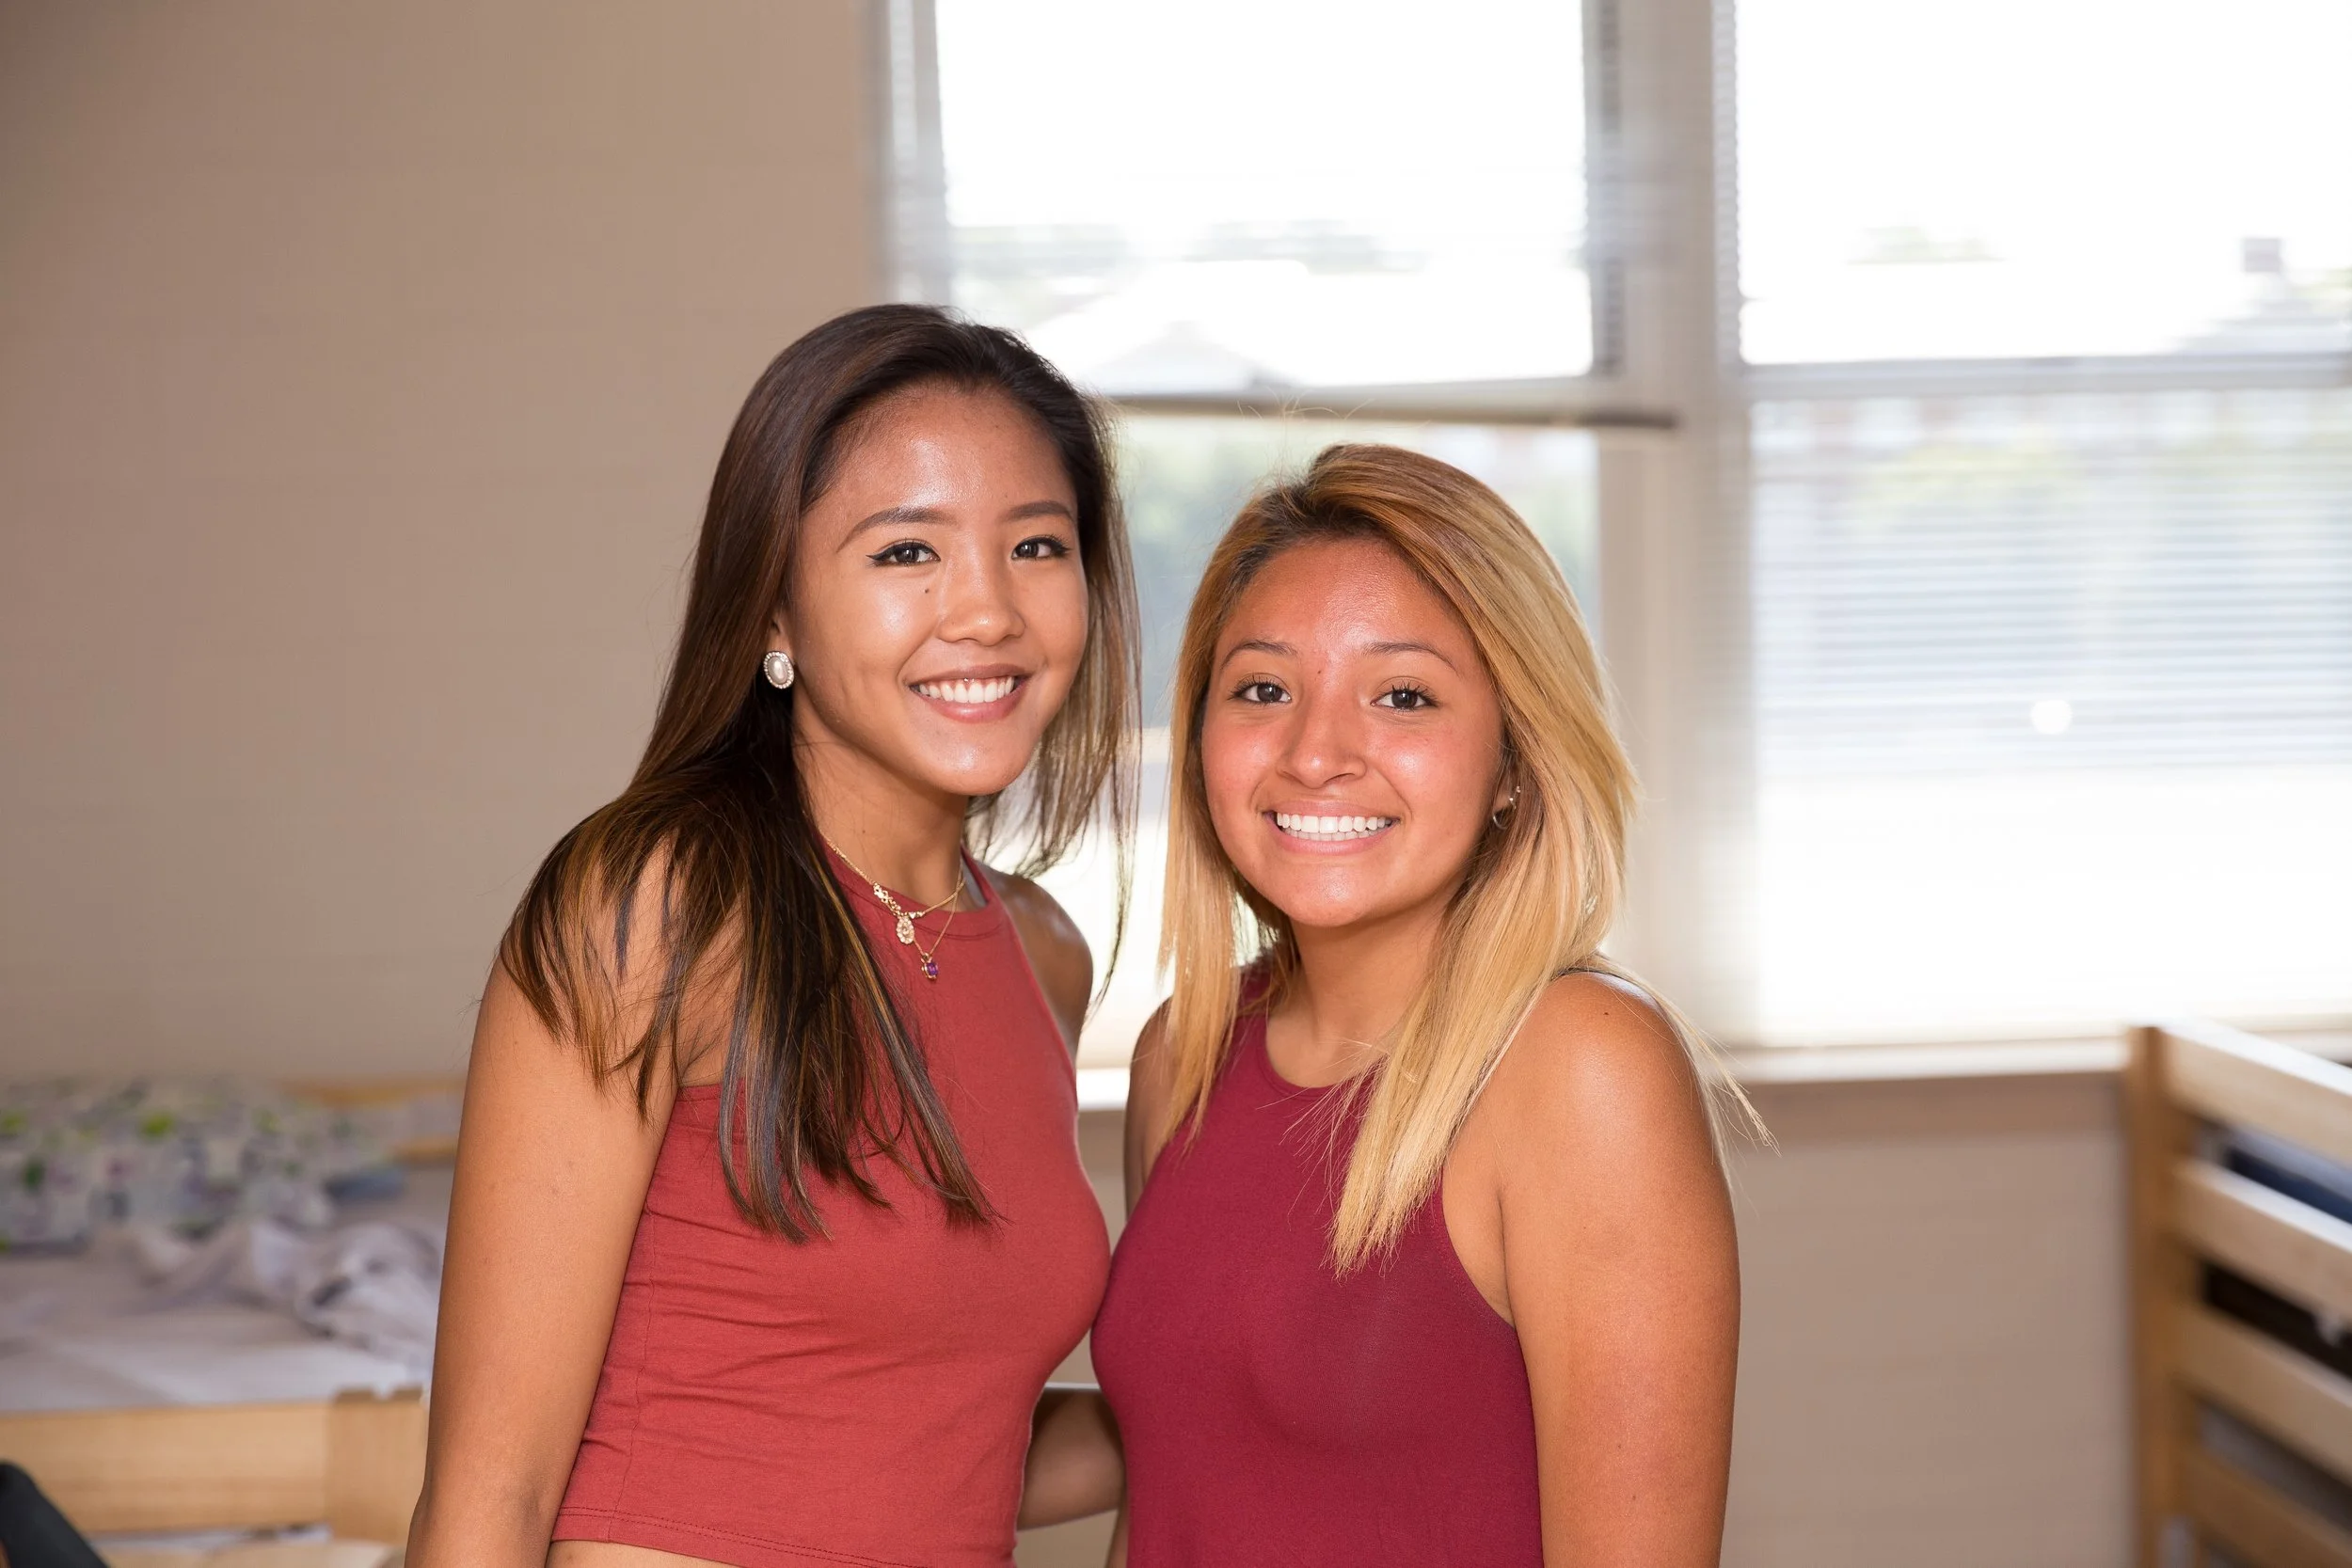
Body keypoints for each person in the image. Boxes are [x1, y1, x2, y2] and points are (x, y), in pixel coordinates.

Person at [409, 305, 1132, 1568]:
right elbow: (492, 1494)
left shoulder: (1042, 950)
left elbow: (933, 1438)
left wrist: (1308, 1392)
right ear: (776, 616)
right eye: (907, 552)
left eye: (1037, 545)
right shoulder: (655, 905)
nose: (987, 611)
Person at [1092, 444, 1761, 1566]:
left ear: (1514, 761)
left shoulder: (1581, 1064)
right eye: (1262, 688)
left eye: (1402, 695)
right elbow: (1172, 1503)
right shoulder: (1186, 1053)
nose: (1315, 753)